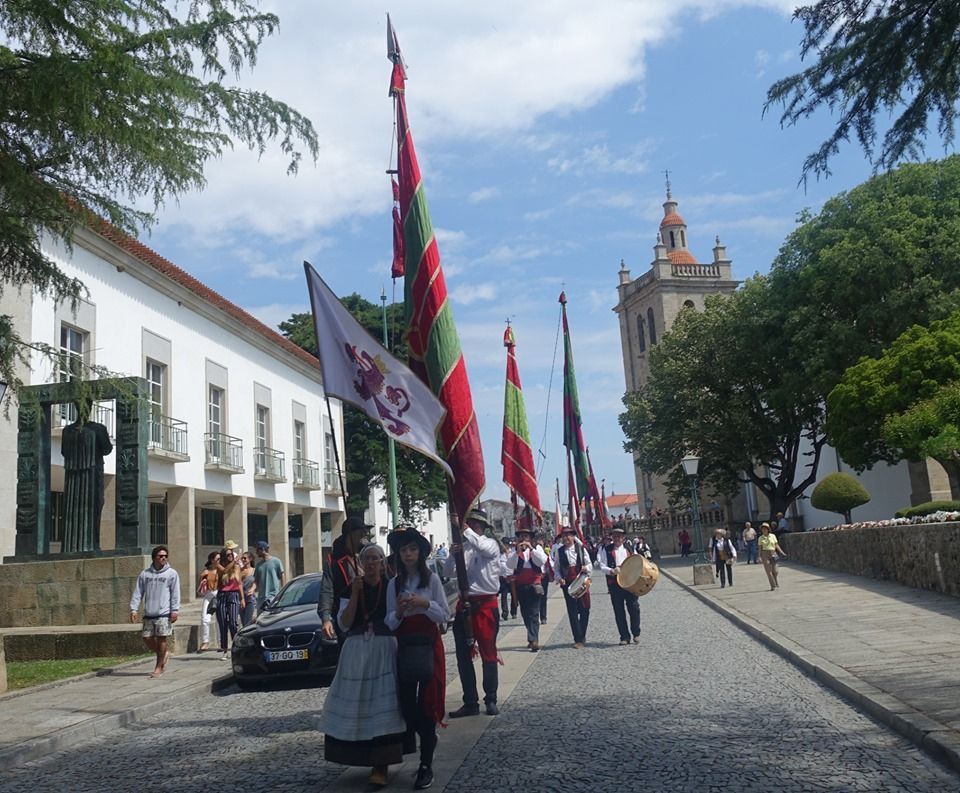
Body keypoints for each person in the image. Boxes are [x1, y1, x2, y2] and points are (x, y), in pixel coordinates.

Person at [318, 544, 407, 787]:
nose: (371, 563)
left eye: (376, 559)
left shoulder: (391, 586)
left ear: (382, 562)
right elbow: (345, 625)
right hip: (356, 652)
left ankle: (382, 764)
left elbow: (396, 619)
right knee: (358, 705)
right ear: (360, 562)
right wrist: (355, 594)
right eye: (367, 559)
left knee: (383, 704)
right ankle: (357, 756)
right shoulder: (350, 588)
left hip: (384, 649)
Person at [385, 526, 450, 791]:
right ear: (398, 555)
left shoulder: (431, 580)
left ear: (420, 552)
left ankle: (425, 763)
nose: (408, 554)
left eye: (412, 549)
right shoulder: (394, 584)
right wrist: (399, 611)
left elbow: (444, 615)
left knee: (427, 702)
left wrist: (425, 604)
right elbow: (389, 622)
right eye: (404, 550)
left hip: (428, 644)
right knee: (407, 706)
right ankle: (424, 739)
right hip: (404, 646)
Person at [444, 508, 503, 718]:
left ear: (482, 528)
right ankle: (470, 701)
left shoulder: (490, 545)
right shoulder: (465, 547)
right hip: (465, 605)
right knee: (462, 656)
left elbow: (480, 545)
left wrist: (465, 529)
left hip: (486, 605)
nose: (473, 528)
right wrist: (453, 555)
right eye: (470, 525)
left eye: (476, 526)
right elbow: (448, 572)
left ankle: (491, 698)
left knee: (488, 654)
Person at [61, 398, 113, 553]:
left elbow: (64, 452)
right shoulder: (98, 429)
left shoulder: (67, 431)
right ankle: (92, 544)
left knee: (73, 510)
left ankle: (71, 546)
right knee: (95, 508)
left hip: (73, 478)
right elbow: (107, 449)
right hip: (92, 476)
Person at [129, 545, 180, 678]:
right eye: (160, 556)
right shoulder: (145, 574)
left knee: (162, 639)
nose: (163, 558)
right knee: (146, 638)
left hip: (163, 613)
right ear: (154, 557)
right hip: (149, 613)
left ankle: (159, 667)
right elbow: (138, 592)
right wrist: (133, 609)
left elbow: (175, 593)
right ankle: (164, 654)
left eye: (165, 556)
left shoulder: (172, 574)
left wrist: (175, 610)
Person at [320, 516, 371, 641]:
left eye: (364, 534)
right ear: (350, 536)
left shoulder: (368, 554)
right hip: (346, 619)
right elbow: (327, 591)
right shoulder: (334, 561)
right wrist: (326, 619)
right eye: (360, 534)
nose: (363, 537)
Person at [506, 526, 547, 652]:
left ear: (530, 538)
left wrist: (532, 550)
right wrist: (517, 552)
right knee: (525, 613)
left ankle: (534, 639)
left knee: (534, 612)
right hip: (521, 586)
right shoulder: (515, 551)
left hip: (534, 585)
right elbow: (510, 565)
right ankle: (531, 636)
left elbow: (542, 561)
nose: (523, 539)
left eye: (526, 536)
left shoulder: (537, 549)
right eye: (521, 536)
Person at [598, 526, 641, 645]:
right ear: (612, 537)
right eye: (615, 536)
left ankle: (636, 633)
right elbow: (602, 565)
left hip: (630, 582)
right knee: (619, 610)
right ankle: (624, 636)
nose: (617, 538)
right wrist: (611, 571)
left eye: (620, 536)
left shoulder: (630, 548)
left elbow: (637, 560)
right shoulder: (606, 550)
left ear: (623, 538)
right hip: (615, 583)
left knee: (634, 608)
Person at [551, 526, 592, 647]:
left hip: (582, 582)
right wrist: (559, 578)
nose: (566, 538)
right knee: (572, 611)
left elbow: (589, 563)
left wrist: (586, 568)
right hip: (568, 584)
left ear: (573, 537)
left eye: (569, 535)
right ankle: (578, 639)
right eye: (564, 536)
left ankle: (582, 634)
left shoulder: (581, 549)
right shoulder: (559, 551)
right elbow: (556, 568)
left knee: (585, 609)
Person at [216, 546, 245, 658]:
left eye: (231, 555)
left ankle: (235, 646)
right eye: (228, 555)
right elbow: (224, 571)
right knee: (223, 623)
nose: (230, 557)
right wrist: (235, 561)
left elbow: (239, 583)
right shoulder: (219, 566)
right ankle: (224, 650)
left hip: (233, 594)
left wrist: (242, 598)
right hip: (222, 595)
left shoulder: (236, 567)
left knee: (233, 623)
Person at [195, 551, 220, 651]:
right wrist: (201, 577)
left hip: (219, 595)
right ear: (212, 560)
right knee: (205, 618)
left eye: (220, 559)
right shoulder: (206, 572)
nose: (219, 561)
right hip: (208, 595)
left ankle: (221, 642)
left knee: (219, 620)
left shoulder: (221, 570)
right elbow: (199, 589)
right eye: (217, 559)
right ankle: (205, 641)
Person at [253, 540, 285, 610]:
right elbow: (256, 580)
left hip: (273, 595)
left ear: (263, 550)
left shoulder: (276, 561)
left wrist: (283, 590)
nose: (256, 552)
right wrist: (252, 589)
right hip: (261, 597)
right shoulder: (258, 565)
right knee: (260, 617)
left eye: (257, 550)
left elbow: (282, 575)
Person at [759, 522, 787, 590]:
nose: (764, 530)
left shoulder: (773, 536)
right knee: (769, 571)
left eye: (765, 529)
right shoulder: (760, 538)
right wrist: (759, 557)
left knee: (775, 571)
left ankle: (775, 581)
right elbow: (760, 548)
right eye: (763, 529)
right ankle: (772, 585)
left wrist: (782, 552)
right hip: (765, 554)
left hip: (773, 553)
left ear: (768, 529)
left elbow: (776, 545)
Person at [239, 551, 257, 626]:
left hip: (250, 599)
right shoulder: (239, 571)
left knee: (247, 622)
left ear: (250, 559)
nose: (243, 560)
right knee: (243, 623)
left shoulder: (254, 570)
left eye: (245, 558)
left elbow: (256, 582)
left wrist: (253, 588)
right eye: (242, 558)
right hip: (240, 599)